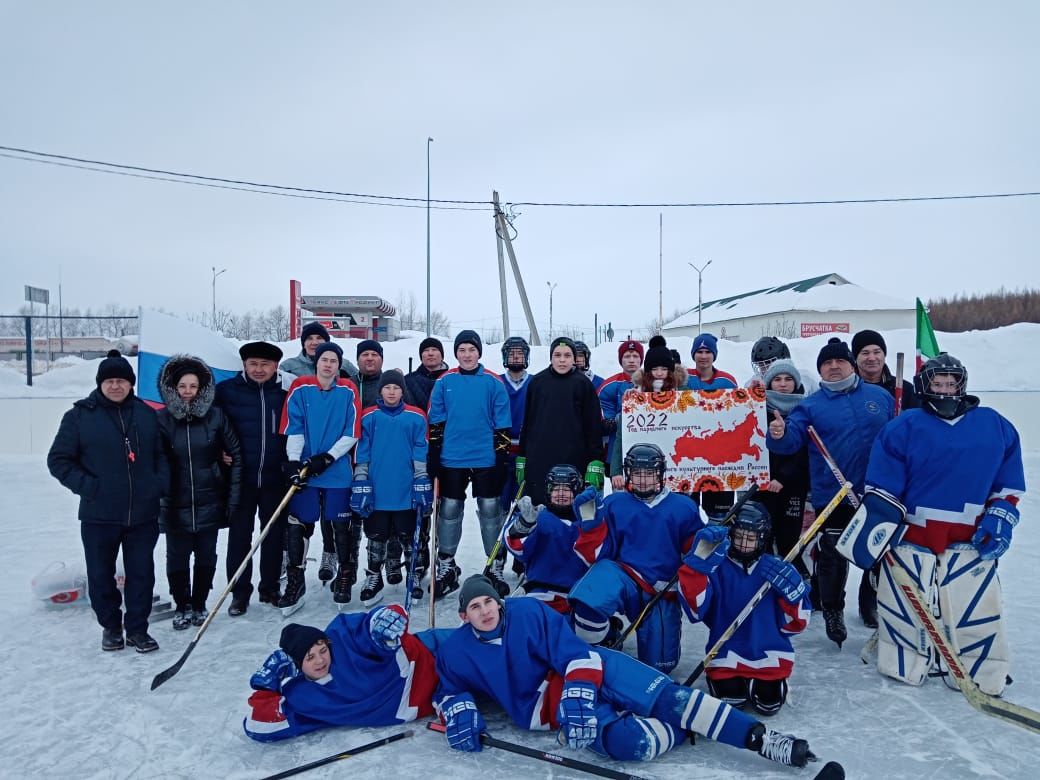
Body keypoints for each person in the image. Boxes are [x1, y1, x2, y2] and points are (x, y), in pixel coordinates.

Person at [434, 575, 815, 767]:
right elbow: (448, 689)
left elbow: (574, 654)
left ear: (499, 602)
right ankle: (690, 729)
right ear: (463, 615)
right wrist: (459, 709)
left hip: (590, 670)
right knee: (628, 744)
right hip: (549, 707)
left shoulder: (528, 612)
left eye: (489, 602)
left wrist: (579, 690)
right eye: (475, 608)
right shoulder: (455, 650)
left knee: (673, 699)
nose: (485, 612)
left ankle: (762, 740)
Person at [845, 354, 1024, 696]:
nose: (945, 389)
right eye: (938, 383)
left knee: (975, 609)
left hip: (971, 537)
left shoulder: (993, 424)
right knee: (905, 609)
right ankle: (905, 661)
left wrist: (1001, 514)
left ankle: (983, 668)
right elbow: (882, 486)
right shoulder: (903, 427)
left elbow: (1007, 480)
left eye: (951, 382)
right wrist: (879, 527)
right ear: (925, 386)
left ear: (962, 385)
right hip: (912, 534)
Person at [766, 336, 894, 647]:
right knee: (833, 554)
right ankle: (833, 609)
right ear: (820, 370)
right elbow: (792, 440)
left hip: (876, 491)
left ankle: (870, 603)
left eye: (840, 361)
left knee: (876, 550)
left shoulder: (879, 396)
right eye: (827, 363)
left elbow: (897, 439)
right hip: (833, 493)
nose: (834, 367)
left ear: (851, 365)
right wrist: (780, 434)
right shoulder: (810, 406)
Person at [48, 350, 169, 653]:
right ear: (101, 383)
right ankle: (111, 627)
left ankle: (138, 630)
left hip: (142, 513)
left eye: (122, 381)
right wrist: (90, 487)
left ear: (131, 384)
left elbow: (162, 456)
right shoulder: (79, 416)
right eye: (110, 381)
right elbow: (59, 460)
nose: (116, 386)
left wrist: (158, 485)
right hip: (99, 514)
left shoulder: (146, 414)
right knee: (101, 576)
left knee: (141, 574)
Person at [569, 443, 705, 674]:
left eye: (649, 474)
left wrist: (708, 548)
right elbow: (597, 556)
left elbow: (693, 559)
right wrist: (591, 525)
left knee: (660, 666)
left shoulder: (684, 507)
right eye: (637, 474)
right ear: (628, 474)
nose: (643, 480)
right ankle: (597, 643)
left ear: (661, 474)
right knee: (593, 591)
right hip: (626, 580)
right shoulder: (614, 504)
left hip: (662, 592)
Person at [244, 604, 452, 741]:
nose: (320, 660)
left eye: (322, 650)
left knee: (481, 639)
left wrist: (380, 625)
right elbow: (259, 726)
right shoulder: (302, 697)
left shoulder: (340, 638)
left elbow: (366, 627)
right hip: (437, 690)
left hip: (427, 649)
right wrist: (268, 682)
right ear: (297, 665)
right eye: (310, 657)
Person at [677, 501, 810, 715]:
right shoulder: (717, 567)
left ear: (763, 538)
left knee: (769, 704)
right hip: (724, 656)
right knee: (732, 703)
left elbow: (795, 626)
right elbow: (695, 611)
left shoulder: (776, 569)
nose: (744, 544)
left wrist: (793, 596)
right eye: (739, 536)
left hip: (771, 657)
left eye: (751, 538)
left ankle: (766, 680)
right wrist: (696, 568)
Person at [156, 354, 243, 629]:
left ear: (202, 388)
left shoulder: (215, 416)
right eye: (182, 386)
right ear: (173, 387)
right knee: (177, 557)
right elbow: (154, 460)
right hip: (175, 500)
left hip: (209, 497)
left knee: (206, 555)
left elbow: (236, 454)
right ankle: (182, 604)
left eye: (193, 386)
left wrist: (229, 486)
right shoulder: (162, 420)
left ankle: (200, 603)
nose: (187, 392)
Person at [427, 330, 512, 598]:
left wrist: (500, 456)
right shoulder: (444, 381)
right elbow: (437, 419)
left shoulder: (493, 382)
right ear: (456, 354)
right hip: (452, 456)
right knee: (450, 508)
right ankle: (447, 564)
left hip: (485, 456)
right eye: (462, 350)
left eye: (471, 350)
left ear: (479, 353)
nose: (467, 355)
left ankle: (494, 565)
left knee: (490, 508)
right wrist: (435, 452)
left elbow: (502, 421)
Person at [279, 342, 362, 610]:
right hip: (306, 469)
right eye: (324, 360)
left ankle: (344, 576)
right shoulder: (300, 388)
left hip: (336, 470)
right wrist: (294, 462)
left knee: (341, 525)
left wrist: (328, 457)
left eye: (333, 361)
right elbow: (295, 426)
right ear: (317, 362)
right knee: (298, 524)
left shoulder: (348, 389)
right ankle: (296, 579)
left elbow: (352, 431)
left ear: (339, 366)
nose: (328, 365)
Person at [849, 329, 919, 627]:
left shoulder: (903, 388)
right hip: (858, 470)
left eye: (876, 351)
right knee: (850, 538)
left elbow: (920, 427)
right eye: (865, 352)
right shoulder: (848, 388)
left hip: (895, 473)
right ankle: (828, 600)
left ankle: (873, 599)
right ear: (856, 358)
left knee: (884, 536)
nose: (871, 357)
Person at [214, 341, 289, 616]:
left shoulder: (284, 394)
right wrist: (219, 451)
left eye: (265, 364)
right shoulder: (226, 392)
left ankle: (269, 588)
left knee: (272, 536)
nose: (259, 369)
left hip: (274, 478)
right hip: (240, 480)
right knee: (239, 538)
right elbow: (212, 428)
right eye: (253, 364)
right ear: (244, 365)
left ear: (275, 367)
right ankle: (239, 593)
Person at [351, 370, 432, 606]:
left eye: (396, 388)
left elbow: (420, 449)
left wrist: (421, 479)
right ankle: (374, 577)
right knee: (376, 534)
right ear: (381, 390)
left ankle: (414, 575)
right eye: (387, 388)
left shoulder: (416, 417)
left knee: (409, 534)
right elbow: (362, 452)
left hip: (406, 488)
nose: (392, 392)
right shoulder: (368, 417)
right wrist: (361, 479)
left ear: (402, 391)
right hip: (377, 487)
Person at [517, 336, 604, 506]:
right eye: (557, 355)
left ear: (574, 358)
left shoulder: (583, 384)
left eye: (567, 355)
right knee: (540, 508)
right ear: (551, 357)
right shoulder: (537, 383)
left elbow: (593, 426)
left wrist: (595, 461)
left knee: (571, 509)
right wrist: (522, 457)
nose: (562, 360)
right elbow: (528, 422)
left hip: (574, 459)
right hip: (539, 458)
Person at [504, 465, 598, 614]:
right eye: (555, 489)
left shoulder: (586, 521)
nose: (561, 494)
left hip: (577, 596)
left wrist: (593, 524)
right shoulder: (538, 517)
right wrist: (524, 525)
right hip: (540, 592)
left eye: (567, 489)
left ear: (577, 491)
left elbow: (597, 556)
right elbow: (519, 551)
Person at [608, 337, 689, 486]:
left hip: (677, 465)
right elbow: (621, 435)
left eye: (664, 369)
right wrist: (616, 470)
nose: (659, 373)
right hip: (642, 468)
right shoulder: (635, 397)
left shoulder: (683, 395)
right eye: (655, 369)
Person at [758, 359, 811, 580]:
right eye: (777, 379)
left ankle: (796, 583)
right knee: (763, 536)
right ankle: (763, 579)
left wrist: (784, 477)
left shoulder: (806, 409)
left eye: (788, 379)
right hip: (762, 485)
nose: (782, 384)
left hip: (793, 486)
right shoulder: (757, 408)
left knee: (789, 537)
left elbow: (805, 452)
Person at [684, 333, 739, 520]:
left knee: (719, 516)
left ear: (714, 354)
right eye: (699, 351)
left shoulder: (727, 381)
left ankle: (716, 547)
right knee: (686, 512)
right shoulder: (683, 379)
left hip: (719, 459)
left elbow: (739, 415)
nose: (703, 356)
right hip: (687, 459)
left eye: (708, 351)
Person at [597, 339, 643, 474]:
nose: (631, 360)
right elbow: (606, 422)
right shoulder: (609, 386)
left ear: (641, 360)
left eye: (635, 356)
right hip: (617, 449)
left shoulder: (651, 383)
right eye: (627, 356)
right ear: (621, 360)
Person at [498, 336, 532, 512]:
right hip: (500, 452)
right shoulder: (495, 382)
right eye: (512, 353)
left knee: (525, 506)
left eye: (520, 353)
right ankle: (498, 540)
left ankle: (522, 540)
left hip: (527, 453)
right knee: (498, 507)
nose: (517, 357)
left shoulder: (536, 383)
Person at [402, 336, 449, 411]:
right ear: (421, 356)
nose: (430, 353)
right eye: (426, 350)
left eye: (434, 349)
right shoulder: (407, 381)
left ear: (442, 355)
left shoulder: (451, 379)